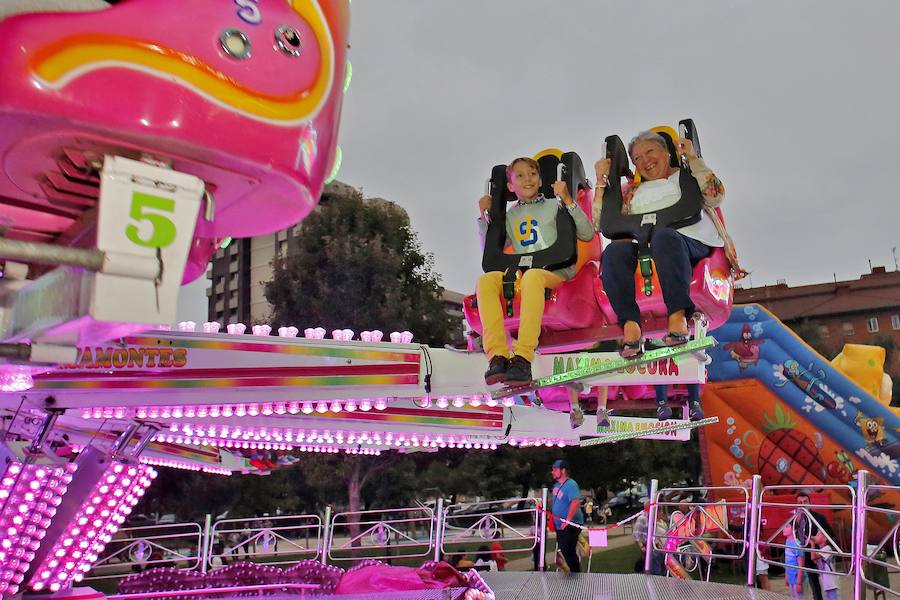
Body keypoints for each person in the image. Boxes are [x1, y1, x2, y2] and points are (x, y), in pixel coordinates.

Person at [594, 131, 736, 358]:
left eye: (650, 151)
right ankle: (630, 324)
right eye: (637, 158)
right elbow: (601, 223)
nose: (645, 160)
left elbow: (715, 195)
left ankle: (678, 314)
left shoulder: (686, 177)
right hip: (646, 246)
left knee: (665, 237)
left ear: (667, 152)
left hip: (689, 242)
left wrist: (693, 159)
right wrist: (602, 183)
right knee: (614, 252)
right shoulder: (632, 191)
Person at [477, 157, 594, 385]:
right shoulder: (510, 217)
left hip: (555, 272)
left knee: (532, 277)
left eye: (532, 174)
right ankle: (497, 356)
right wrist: (485, 219)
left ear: (540, 180)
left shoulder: (555, 205)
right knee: (487, 281)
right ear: (510, 186)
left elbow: (587, 233)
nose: (527, 179)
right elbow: (490, 253)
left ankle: (522, 357)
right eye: (519, 176)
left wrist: (568, 200)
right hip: (524, 274)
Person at [549, 459, 585, 572]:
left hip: (570, 524)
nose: (552, 472)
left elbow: (575, 502)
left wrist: (568, 520)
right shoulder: (556, 486)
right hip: (560, 525)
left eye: (555, 469)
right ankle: (574, 572)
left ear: (563, 471)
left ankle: (575, 573)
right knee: (564, 549)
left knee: (567, 549)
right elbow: (555, 501)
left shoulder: (571, 485)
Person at [796, 492, 826, 600]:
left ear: (810, 503)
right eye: (800, 503)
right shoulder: (797, 520)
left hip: (820, 556)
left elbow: (829, 535)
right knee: (815, 587)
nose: (803, 505)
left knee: (829, 586)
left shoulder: (819, 517)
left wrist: (819, 546)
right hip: (807, 557)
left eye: (805, 502)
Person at [810, 525, 840, 600]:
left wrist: (812, 544)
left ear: (825, 538)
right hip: (827, 583)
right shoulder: (820, 551)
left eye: (818, 534)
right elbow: (813, 559)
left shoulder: (828, 548)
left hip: (832, 583)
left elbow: (813, 557)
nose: (815, 536)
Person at [784, 523, 805, 599]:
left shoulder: (797, 544)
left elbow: (801, 565)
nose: (784, 529)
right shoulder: (787, 541)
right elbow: (787, 561)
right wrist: (786, 576)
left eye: (787, 526)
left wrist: (799, 583)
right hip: (791, 577)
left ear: (795, 530)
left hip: (797, 578)